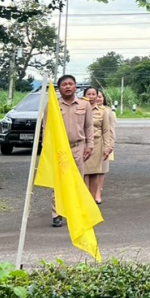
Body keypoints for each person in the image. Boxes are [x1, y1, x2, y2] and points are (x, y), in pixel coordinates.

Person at [52, 75, 93, 228]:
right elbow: (46, 128)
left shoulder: (84, 104)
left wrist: (90, 145)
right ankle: (57, 214)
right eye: (64, 84)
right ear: (59, 88)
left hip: (78, 147)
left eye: (71, 84)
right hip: (59, 149)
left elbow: (89, 126)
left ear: (75, 87)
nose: (68, 87)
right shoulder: (53, 105)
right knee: (59, 181)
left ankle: (76, 212)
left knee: (78, 180)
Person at [82, 87, 116, 204]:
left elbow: (106, 130)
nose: (91, 96)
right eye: (88, 94)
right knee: (83, 173)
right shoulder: (80, 109)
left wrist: (108, 147)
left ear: (97, 96)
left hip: (97, 145)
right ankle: (84, 199)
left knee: (95, 173)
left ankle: (92, 199)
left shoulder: (103, 112)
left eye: (93, 94)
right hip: (82, 144)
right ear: (84, 95)